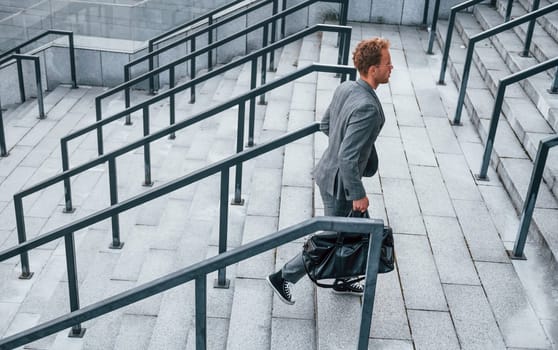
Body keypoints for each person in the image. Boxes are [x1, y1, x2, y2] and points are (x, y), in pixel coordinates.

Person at [267, 37, 393, 305]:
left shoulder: (346, 87)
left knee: (356, 234)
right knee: (333, 237)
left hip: (329, 173)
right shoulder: (368, 107)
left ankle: (342, 279)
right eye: (387, 63)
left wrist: (347, 148)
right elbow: (348, 155)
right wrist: (357, 193)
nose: (391, 67)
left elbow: (326, 125)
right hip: (341, 185)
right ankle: (283, 277)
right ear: (373, 69)